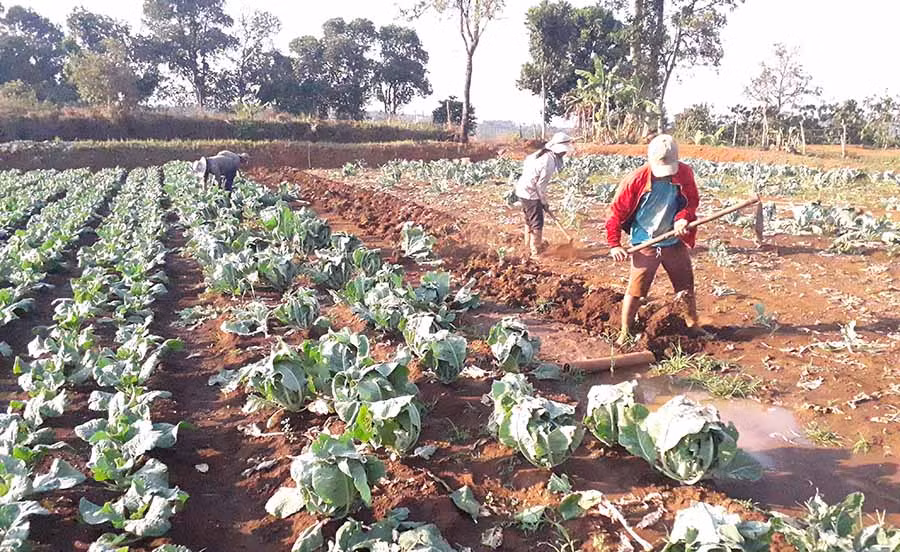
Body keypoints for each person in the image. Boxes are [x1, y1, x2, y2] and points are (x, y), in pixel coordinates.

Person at [605, 134, 700, 345]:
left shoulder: (684, 173)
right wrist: (614, 244)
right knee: (637, 291)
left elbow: (690, 202)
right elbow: (615, 212)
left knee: (685, 287)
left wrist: (682, 219)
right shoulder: (635, 180)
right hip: (645, 241)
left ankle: (693, 326)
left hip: (673, 239)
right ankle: (625, 331)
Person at [514, 132, 575, 257]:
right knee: (537, 222)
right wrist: (543, 202)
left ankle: (527, 246)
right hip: (531, 192)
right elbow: (539, 186)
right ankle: (535, 252)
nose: (565, 154)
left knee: (529, 220)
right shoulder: (549, 161)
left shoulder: (540, 154)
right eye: (564, 152)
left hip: (522, 189)